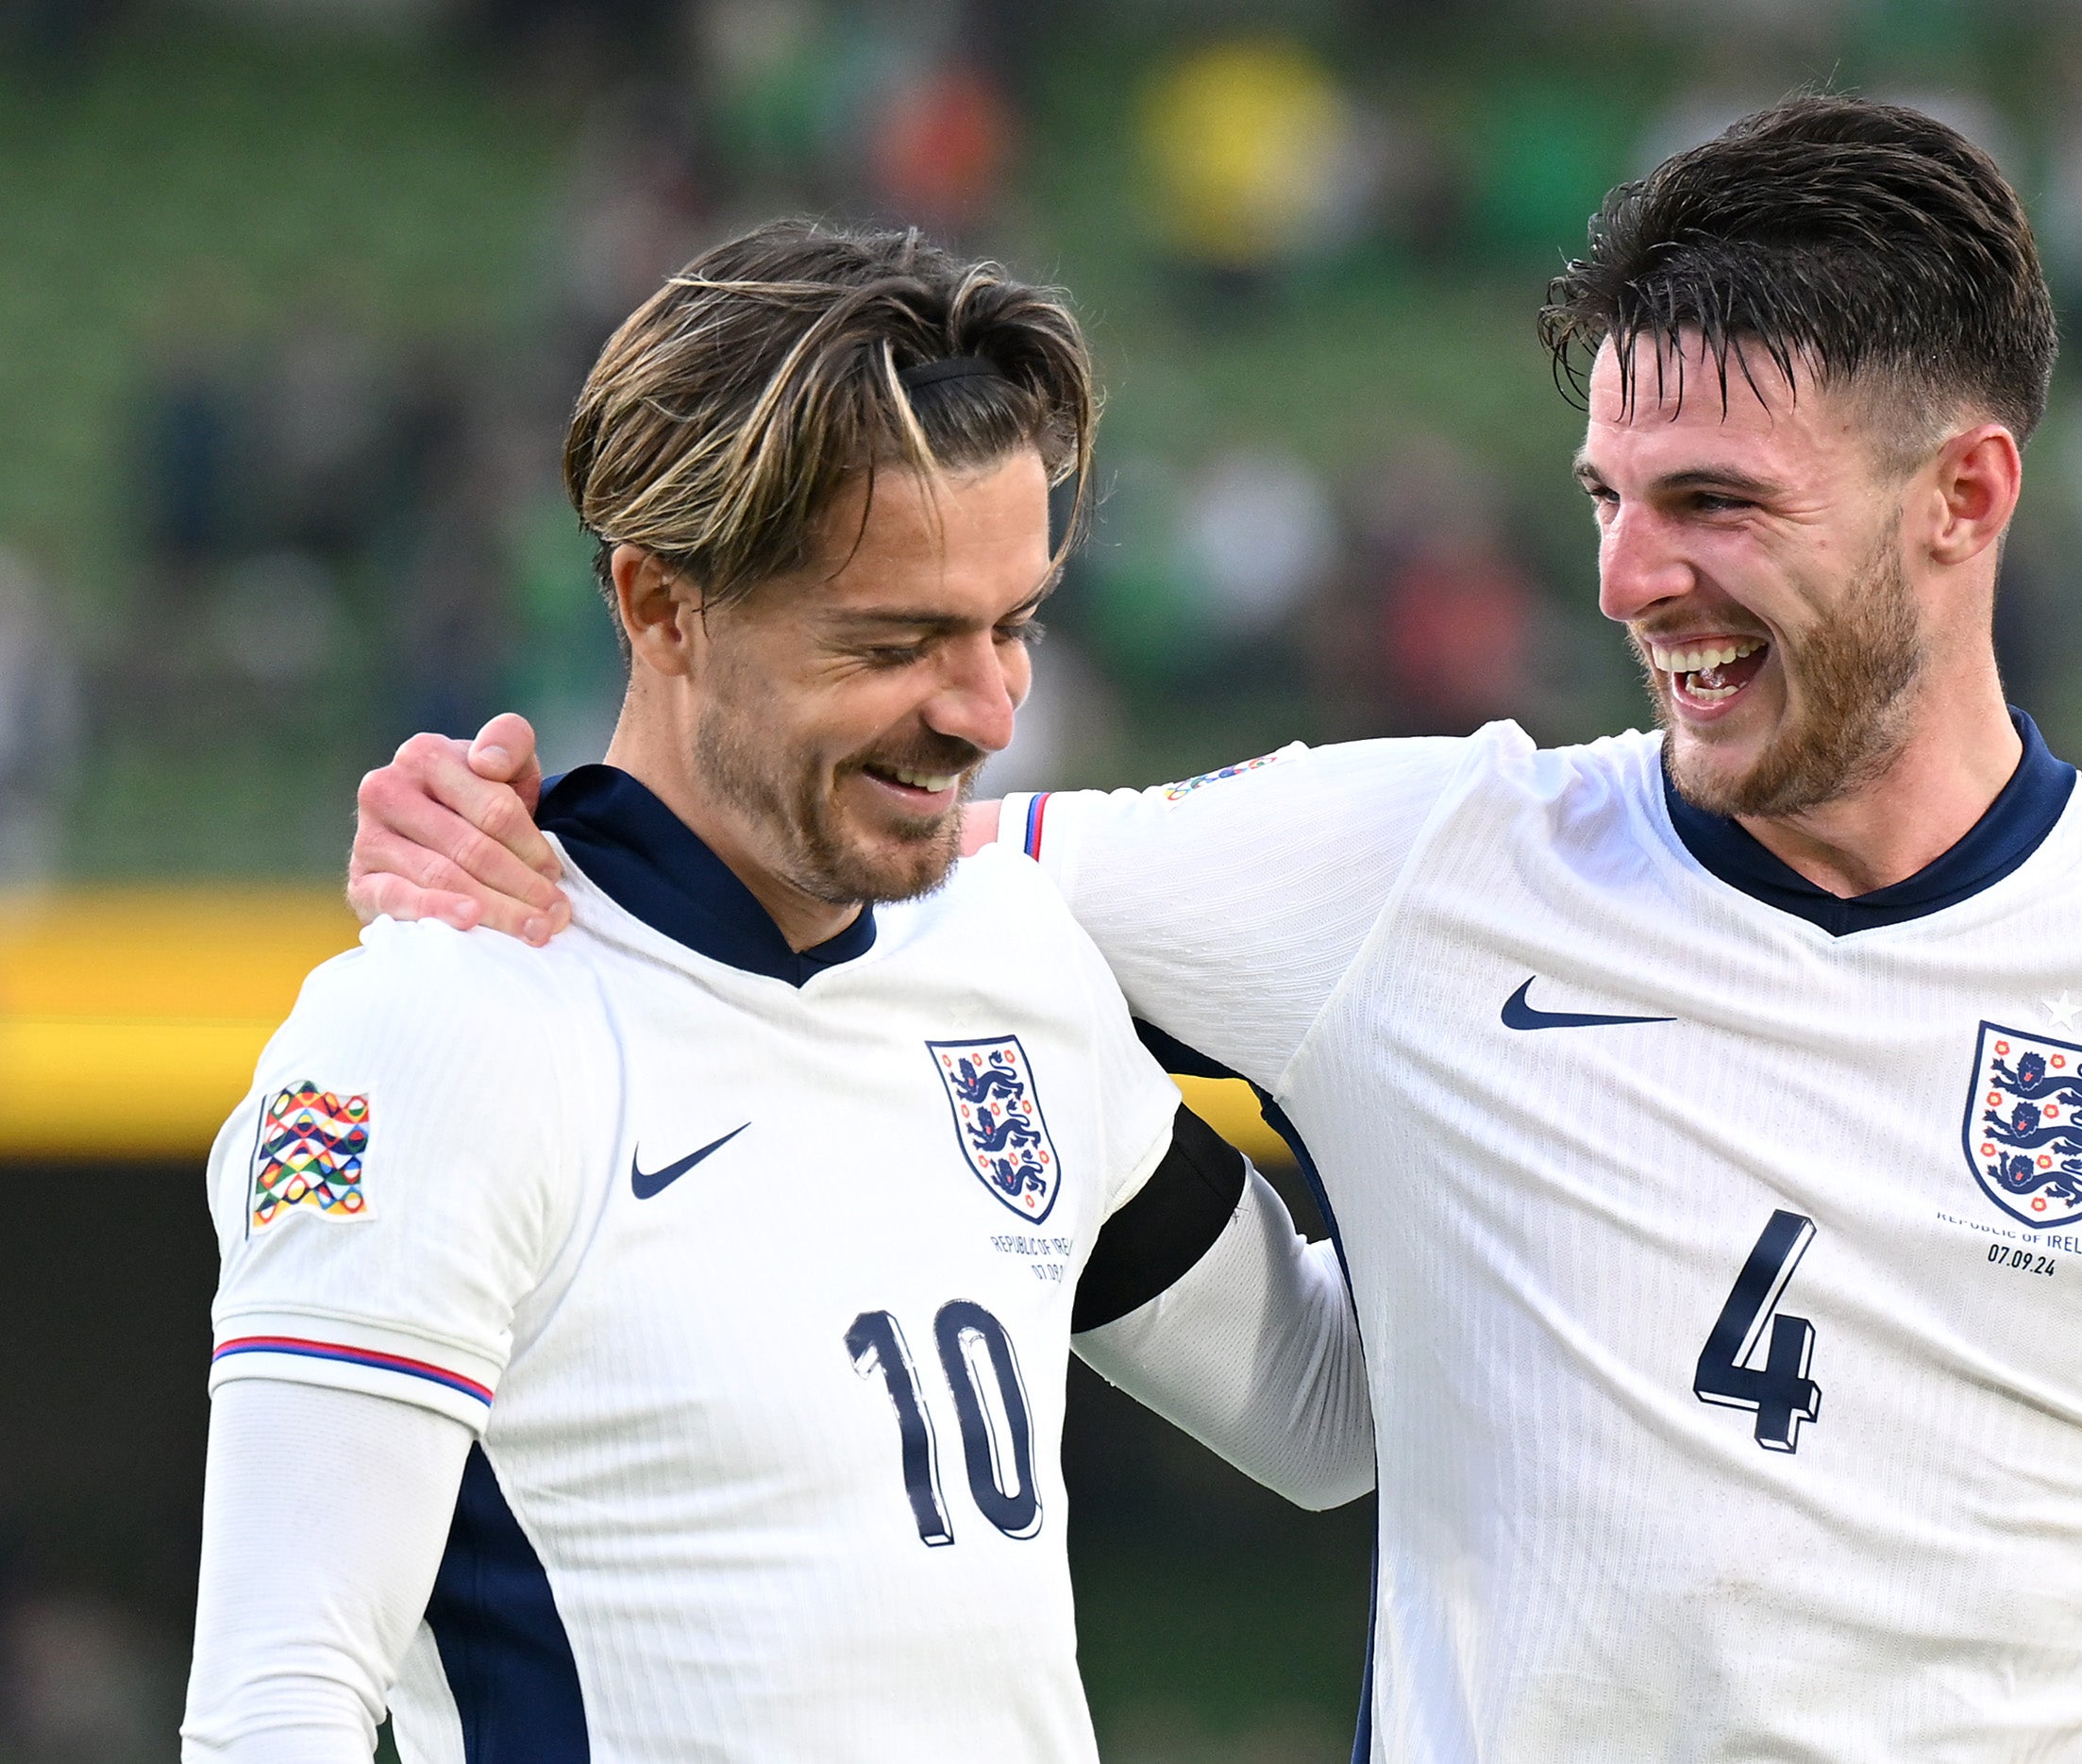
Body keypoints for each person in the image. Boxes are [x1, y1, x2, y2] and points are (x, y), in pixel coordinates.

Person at [346, 101, 2082, 1762]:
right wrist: (518, 819)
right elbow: (819, 838)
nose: (1632, 580)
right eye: (1609, 496)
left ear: (1963, 498)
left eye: (1717, 506)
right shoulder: (1409, 866)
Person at [183, 223, 1370, 1764]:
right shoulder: (436, 1037)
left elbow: (1325, 1410)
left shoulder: (1008, 957)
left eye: (1013, 625)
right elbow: (274, 1707)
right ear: (662, 606)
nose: (988, 707)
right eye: (896, 642)